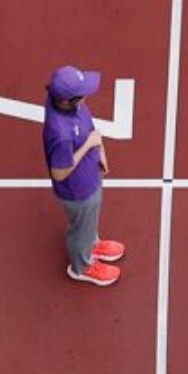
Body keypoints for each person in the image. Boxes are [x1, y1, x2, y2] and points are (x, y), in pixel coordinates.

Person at [42, 65, 125, 286]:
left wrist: (100, 151)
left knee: (88, 223)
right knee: (80, 229)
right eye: (82, 92)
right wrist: (89, 144)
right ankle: (82, 267)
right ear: (67, 101)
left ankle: (92, 243)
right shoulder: (60, 133)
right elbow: (58, 173)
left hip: (89, 177)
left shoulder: (68, 104)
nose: (87, 94)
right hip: (77, 191)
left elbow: (88, 126)